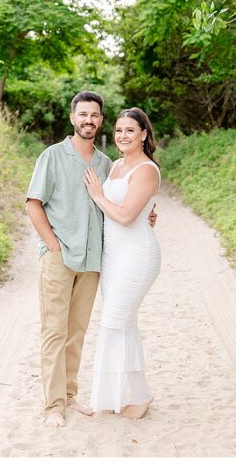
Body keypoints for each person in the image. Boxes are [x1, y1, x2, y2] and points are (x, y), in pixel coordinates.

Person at [26, 92, 112, 428]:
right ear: (72, 117)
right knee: (54, 332)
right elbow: (34, 203)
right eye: (83, 114)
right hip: (60, 258)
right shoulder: (52, 156)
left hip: (91, 261)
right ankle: (53, 406)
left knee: (76, 332)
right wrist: (53, 245)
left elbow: (118, 205)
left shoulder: (106, 164)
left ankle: (71, 395)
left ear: (101, 120)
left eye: (94, 115)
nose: (88, 120)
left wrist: (147, 216)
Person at [83, 107, 162, 419]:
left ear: (143, 134)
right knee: (124, 325)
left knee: (114, 324)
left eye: (130, 130)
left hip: (137, 255)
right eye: (118, 130)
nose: (123, 136)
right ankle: (140, 396)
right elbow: (137, 208)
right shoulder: (116, 165)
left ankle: (132, 396)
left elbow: (128, 217)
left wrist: (98, 196)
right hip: (113, 256)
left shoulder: (145, 169)